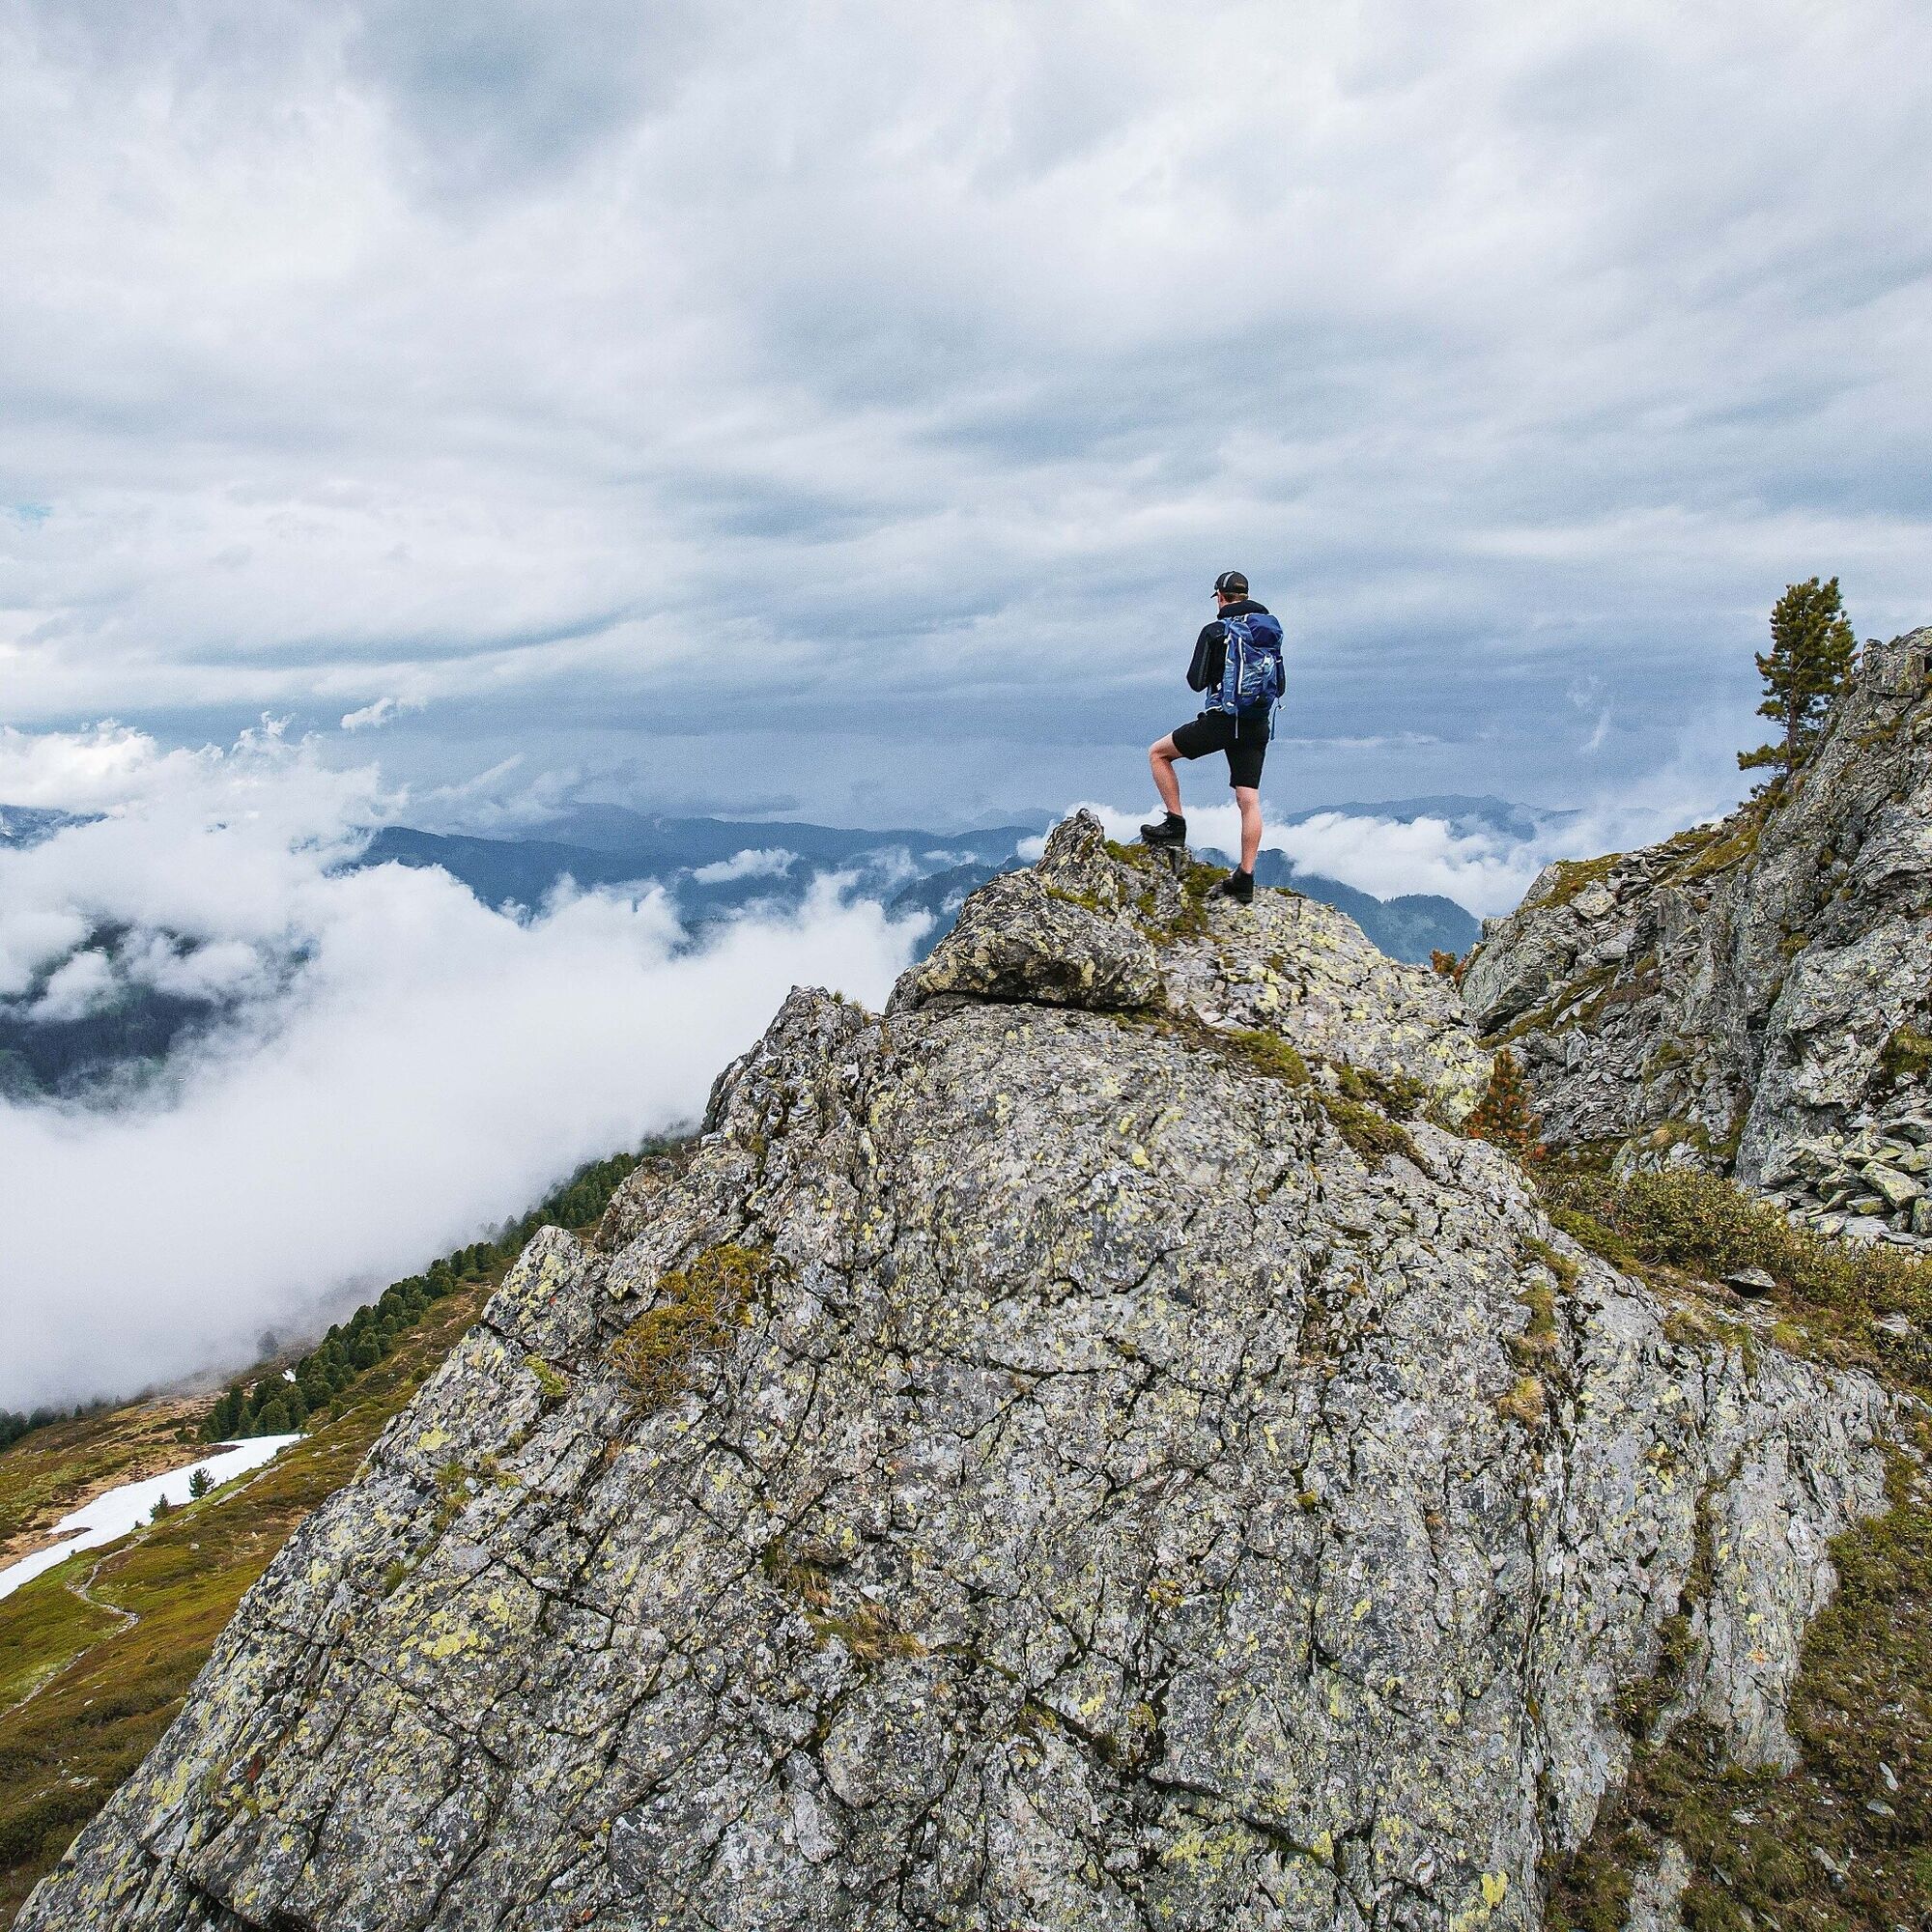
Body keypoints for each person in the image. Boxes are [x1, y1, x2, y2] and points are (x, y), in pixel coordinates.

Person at [1140, 570, 1281, 903]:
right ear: (1245, 596)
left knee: (1158, 753)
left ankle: (1175, 825)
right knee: (1249, 799)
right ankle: (1245, 878)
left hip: (1223, 721)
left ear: (1219, 596)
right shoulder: (1269, 630)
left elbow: (1196, 681)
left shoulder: (1216, 631)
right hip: (1257, 723)